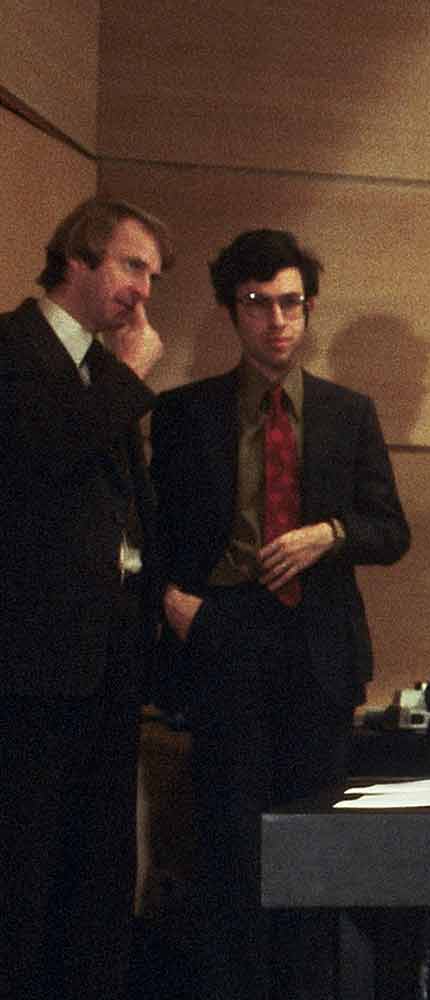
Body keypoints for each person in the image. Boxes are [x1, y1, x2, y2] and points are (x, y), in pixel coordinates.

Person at [149, 228, 411, 999]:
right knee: (228, 856)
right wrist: (173, 604)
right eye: (258, 304)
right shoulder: (183, 414)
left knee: (313, 857)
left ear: (309, 308)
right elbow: (152, 527)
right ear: (233, 311)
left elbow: (391, 530)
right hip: (222, 637)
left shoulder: (346, 413)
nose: (278, 322)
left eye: (291, 303)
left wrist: (328, 535)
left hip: (318, 652)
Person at [0, 197, 172, 1000]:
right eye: (133, 266)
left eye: (152, 275)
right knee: (26, 873)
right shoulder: (11, 349)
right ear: (79, 257)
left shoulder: (102, 374)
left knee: (101, 877)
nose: (144, 290)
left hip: (110, 660)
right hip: (31, 667)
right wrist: (127, 381)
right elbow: (38, 457)